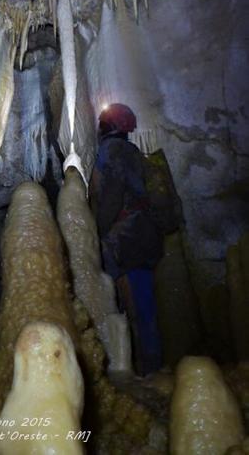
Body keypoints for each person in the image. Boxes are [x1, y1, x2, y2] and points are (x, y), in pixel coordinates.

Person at [89, 103, 163, 376]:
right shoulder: (134, 151)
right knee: (145, 305)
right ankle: (152, 366)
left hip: (125, 236)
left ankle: (122, 367)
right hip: (146, 235)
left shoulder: (111, 151)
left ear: (108, 127)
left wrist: (94, 232)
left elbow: (111, 196)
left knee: (112, 301)